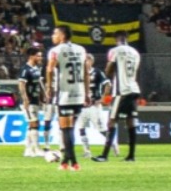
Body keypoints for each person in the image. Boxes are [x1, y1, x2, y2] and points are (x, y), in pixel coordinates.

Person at [45, 25, 90, 171]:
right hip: (79, 94)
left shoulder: (55, 51)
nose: (53, 36)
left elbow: (50, 69)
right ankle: (65, 162)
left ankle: (74, 163)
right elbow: (85, 72)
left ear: (62, 35)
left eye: (55, 33)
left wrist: (48, 88)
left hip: (64, 94)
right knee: (71, 128)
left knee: (65, 129)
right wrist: (87, 93)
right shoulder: (81, 50)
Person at [96, 32, 142, 162]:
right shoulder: (135, 53)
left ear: (116, 39)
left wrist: (108, 76)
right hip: (134, 89)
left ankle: (104, 155)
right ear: (127, 39)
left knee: (111, 121)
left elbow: (109, 69)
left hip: (121, 91)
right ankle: (131, 155)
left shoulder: (115, 51)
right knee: (131, 121)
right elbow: (135, 71)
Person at [75, 59, 110, 158]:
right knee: (81, 128)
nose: (85, 62)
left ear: (91, 61)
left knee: (101, 129)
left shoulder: (97, 72)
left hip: (94, 106)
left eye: (87, 61)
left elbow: (108, 84)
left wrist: (103, 98)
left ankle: (112, 143)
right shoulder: (79, 73)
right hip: (82, 106)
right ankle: (87, 151)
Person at [18, 47, 45, 158]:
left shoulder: (36, 69)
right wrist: (25, 99)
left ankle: (28, 150)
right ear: (31, 56)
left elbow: (39, 83)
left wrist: (44, 95)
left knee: (32, 125)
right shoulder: (25, 69)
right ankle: (37, 149)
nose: (40, 57)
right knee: (34, 123)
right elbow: (21, 84)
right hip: (28, 102)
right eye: (38, 55)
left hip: (35, 100)